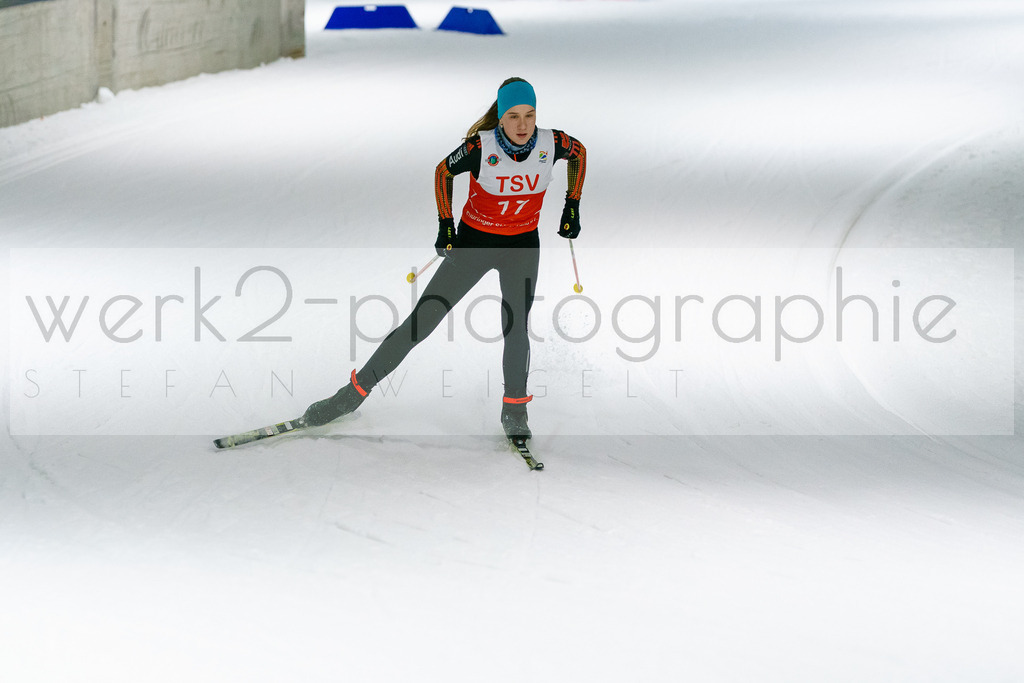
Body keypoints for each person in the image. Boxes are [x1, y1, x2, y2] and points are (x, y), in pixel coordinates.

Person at [302, 77, 587, 441]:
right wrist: (445, 226)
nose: (522, 125)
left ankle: (515, 410)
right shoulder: (479, 148)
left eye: (529, 115)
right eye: (513, 116)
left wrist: (572, 205)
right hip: (474, 245)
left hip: (522, 247)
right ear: (500, 117)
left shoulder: (552, 142)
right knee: (422, 322)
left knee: (516, 328)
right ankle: (349, 397)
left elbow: (578, 153)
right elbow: (443, 172)